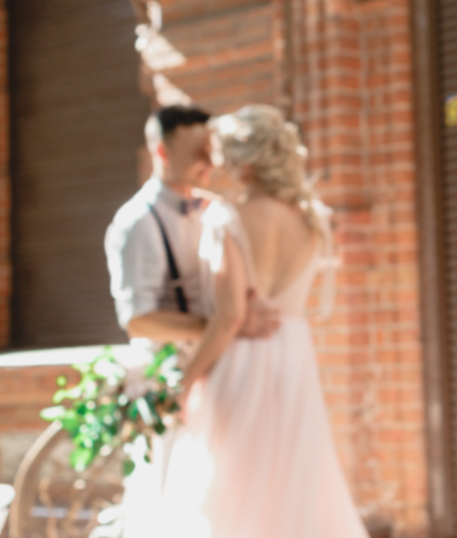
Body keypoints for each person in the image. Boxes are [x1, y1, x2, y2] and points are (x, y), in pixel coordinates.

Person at [129, 104, 368, 538]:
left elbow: (230, 316)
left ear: (243, 161)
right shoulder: (312, 218)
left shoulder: (228, 216)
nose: (213, 161)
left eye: (219, 151)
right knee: (294, 483)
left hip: (241, 362)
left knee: (228, 488)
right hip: (294, 355)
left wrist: (185, 382)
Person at [105, 105, 281, 345]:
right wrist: (227, 325)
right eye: (199, 152)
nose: (211, 161)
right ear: (163, 153)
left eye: (212, 151)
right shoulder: (139, 220)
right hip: (171, 369)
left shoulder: (216, 208)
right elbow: (138, 321)